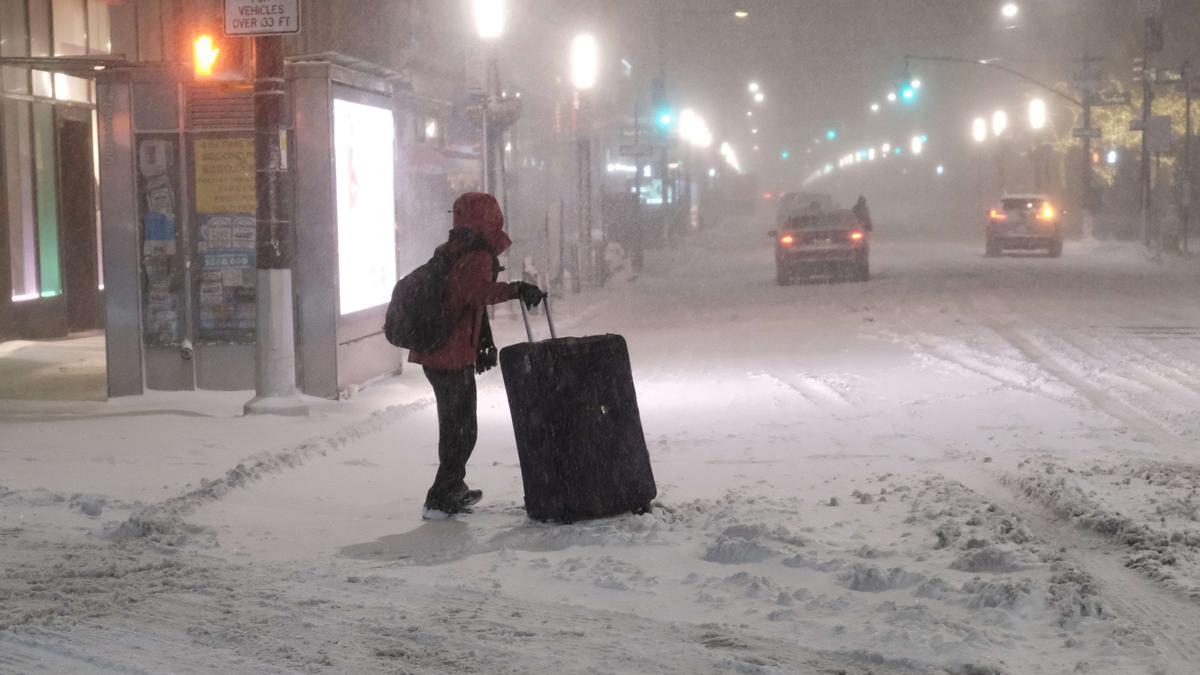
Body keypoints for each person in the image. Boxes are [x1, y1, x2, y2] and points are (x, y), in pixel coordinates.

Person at [409, 192, 545, 519]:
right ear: (489, 218)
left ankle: (450, 488)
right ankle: (442, 495)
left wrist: (483, 340)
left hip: (439, 349)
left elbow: (468, 300)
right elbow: (475, 293)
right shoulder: (477, 254)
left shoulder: (454, 249)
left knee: (456, 425)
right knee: (462, 427)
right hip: (449, 352)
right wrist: (516, 289)